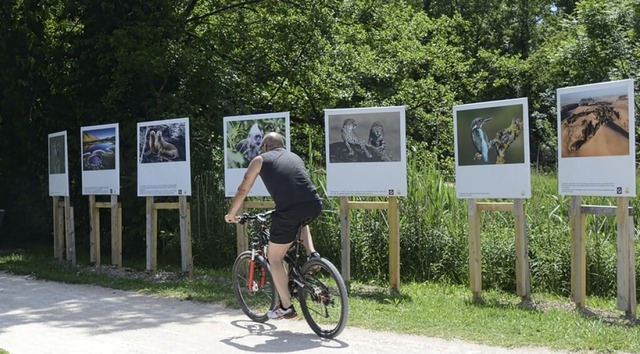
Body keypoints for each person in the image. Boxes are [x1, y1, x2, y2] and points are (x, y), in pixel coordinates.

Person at [225, 132, 322, 319]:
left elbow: (243, 188)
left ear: (266, 147)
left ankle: (286, 307)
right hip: (313, 204)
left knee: (275, 258)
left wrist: (232, 214)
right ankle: (312, 254)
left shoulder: (260, 159)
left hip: (288, 211)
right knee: (300, 221)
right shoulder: (294, 156)